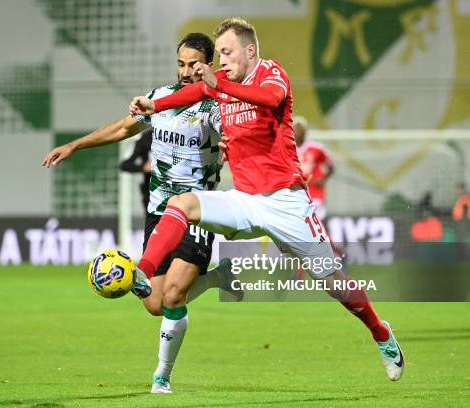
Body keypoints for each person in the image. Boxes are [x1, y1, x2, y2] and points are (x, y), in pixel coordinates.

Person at [129, 17, 404, 381]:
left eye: (226, 53)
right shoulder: (222, 83)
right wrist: (155, 106)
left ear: (250, 50)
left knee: (333, 282)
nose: (221, 61)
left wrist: (219, 86)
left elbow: (270, 98)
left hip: (286, 203)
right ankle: (143, 273)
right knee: (182, 204)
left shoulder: (271, 74)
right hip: (246, 200)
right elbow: (193, 94)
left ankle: (380, 331)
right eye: (219, 55)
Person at [43, 33, 240, 393]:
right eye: (180, 63)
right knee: (153, 303)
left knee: (175, 295)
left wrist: (234, 151)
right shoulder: (159, 99)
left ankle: (162, 375)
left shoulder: (216, 108)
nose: (186, 71)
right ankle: (216, 278)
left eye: (194, 64)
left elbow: (238, 137)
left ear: (208, 64)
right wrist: (75, 144)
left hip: (197, 211)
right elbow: (122, 127)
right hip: (160, 214)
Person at [294, 116, 335, 219]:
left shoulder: (316, 148)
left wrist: (323, 178)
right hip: (297, 192)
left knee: (316, 220)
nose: (298, 131)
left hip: (315, 192)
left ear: (305, 131)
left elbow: (331, 166)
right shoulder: (287, 149)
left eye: (300, 129)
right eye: (295, 128)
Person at [119, 129, 152, 214]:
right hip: (151, 192)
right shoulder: (144, 138)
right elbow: (125, 164)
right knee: (154, 225)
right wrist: (144, 167)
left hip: (178, 191)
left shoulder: (180, 135)